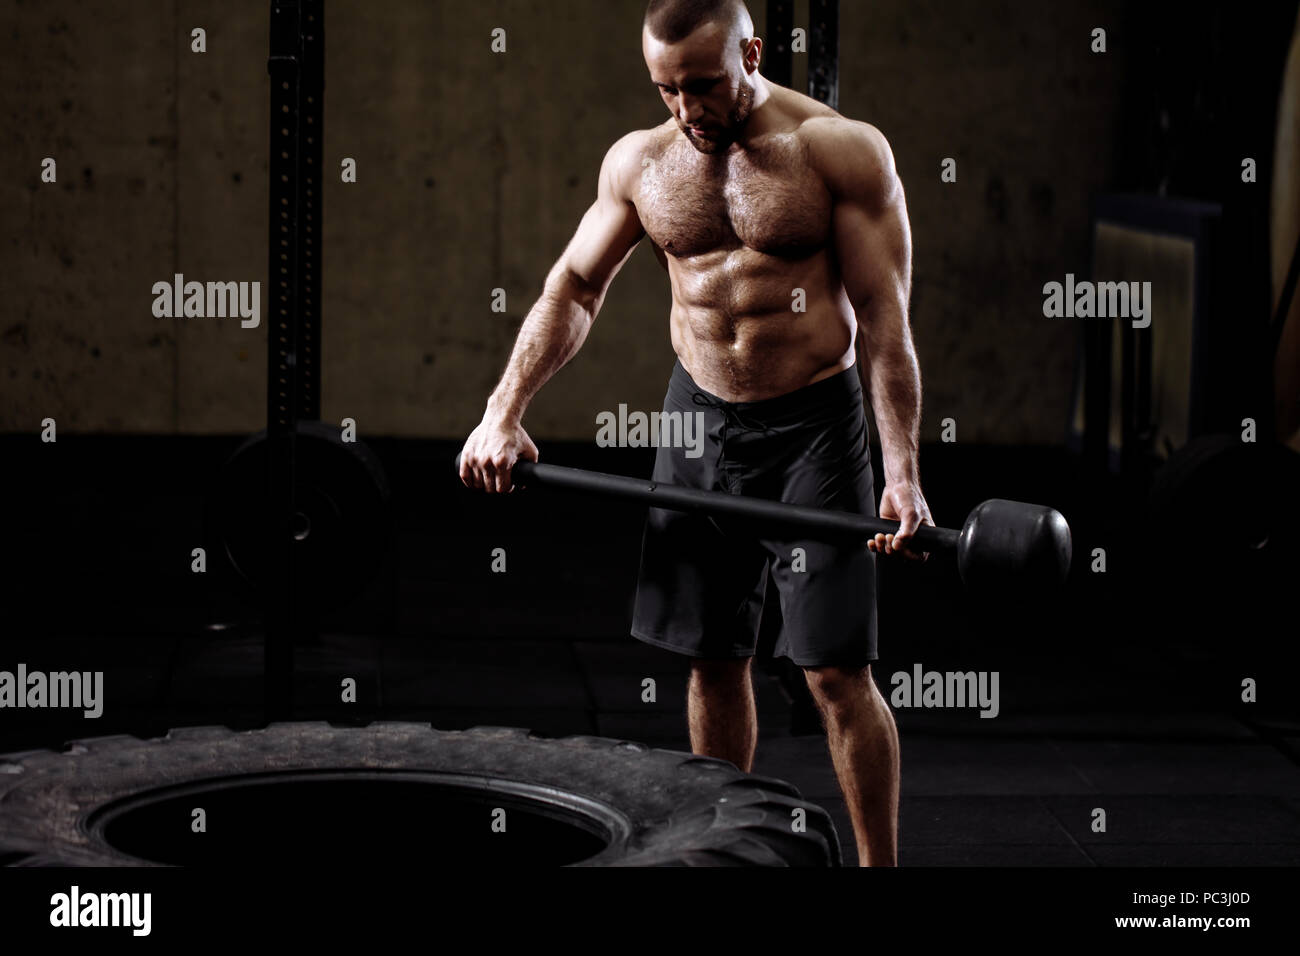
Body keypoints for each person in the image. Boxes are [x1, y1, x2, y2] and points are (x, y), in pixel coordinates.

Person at [458, 0, 934, 866]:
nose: (688, 110)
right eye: (667, 90)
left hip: (815, 431)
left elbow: (885, 321)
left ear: (751, 53)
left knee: (834, 673)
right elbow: (573, 288)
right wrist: (504, 411)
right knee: (714, 658)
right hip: (697, 421)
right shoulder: (641, 163)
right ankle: (727, 854)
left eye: (705, 86)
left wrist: (902, 475)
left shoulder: (838, 152)